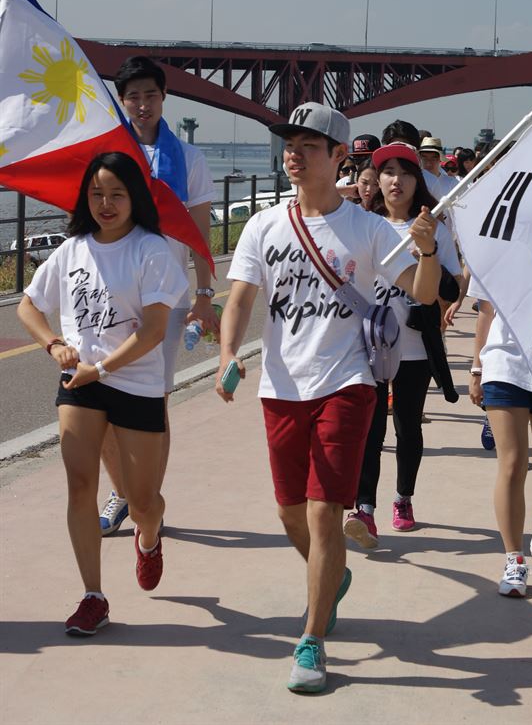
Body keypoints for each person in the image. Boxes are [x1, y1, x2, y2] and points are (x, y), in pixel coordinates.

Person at [215, 102, 440, 694]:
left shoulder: (369, 229)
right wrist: (228, 353)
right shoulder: (264, 225)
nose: (294, 153)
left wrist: (427, 248)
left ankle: (311, 639)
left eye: (309, 145)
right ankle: (332, 575)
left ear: (340, 156)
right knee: (291, 512)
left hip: (347, 383)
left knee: (322, 512)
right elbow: (238, 297)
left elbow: (421, 290)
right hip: (280, 386)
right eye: (290, 143)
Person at [17, 153, 188, 635]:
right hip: (80, 386)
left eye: (116, 193)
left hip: (135, 384)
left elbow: (155, 330)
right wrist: (54, 344)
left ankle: (149, 538)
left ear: (134, 197)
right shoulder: (72, 250)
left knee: (142, 502)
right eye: (96, 194)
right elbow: (29, 306)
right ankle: (93, 596)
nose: (106, 203)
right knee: (79, 486)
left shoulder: (151, 250)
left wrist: (103, 368)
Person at [97, 56, 218, 537]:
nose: (142, 104)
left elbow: (202, 234)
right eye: (133, 97)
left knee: (151, 402)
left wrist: (206, 294)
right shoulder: (108, 157)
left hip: (164, 299)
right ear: (122, 102)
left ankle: (149, 497)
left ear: (164, 97)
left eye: (150, 94)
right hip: (108, 295)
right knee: (98, 398)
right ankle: (124, 491)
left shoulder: (190, 160)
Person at [344, 142, 460, 547]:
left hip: (413, 347)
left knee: (408, 427)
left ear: (417, 180)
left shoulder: (434, 227)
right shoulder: (361, 223)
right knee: (368, 431)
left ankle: (403, 498)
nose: (396, 180)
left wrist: (426, 253)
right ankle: (365, 508)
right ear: (377, 180)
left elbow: (450, 288)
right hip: (367, 345)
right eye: (387, 172)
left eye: (405, 172)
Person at [468, 277, 532, 597]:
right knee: (511, 464)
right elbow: (485, 308)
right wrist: (476, 367)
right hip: (504, 362)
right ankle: (514, 559)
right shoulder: (502, 236)